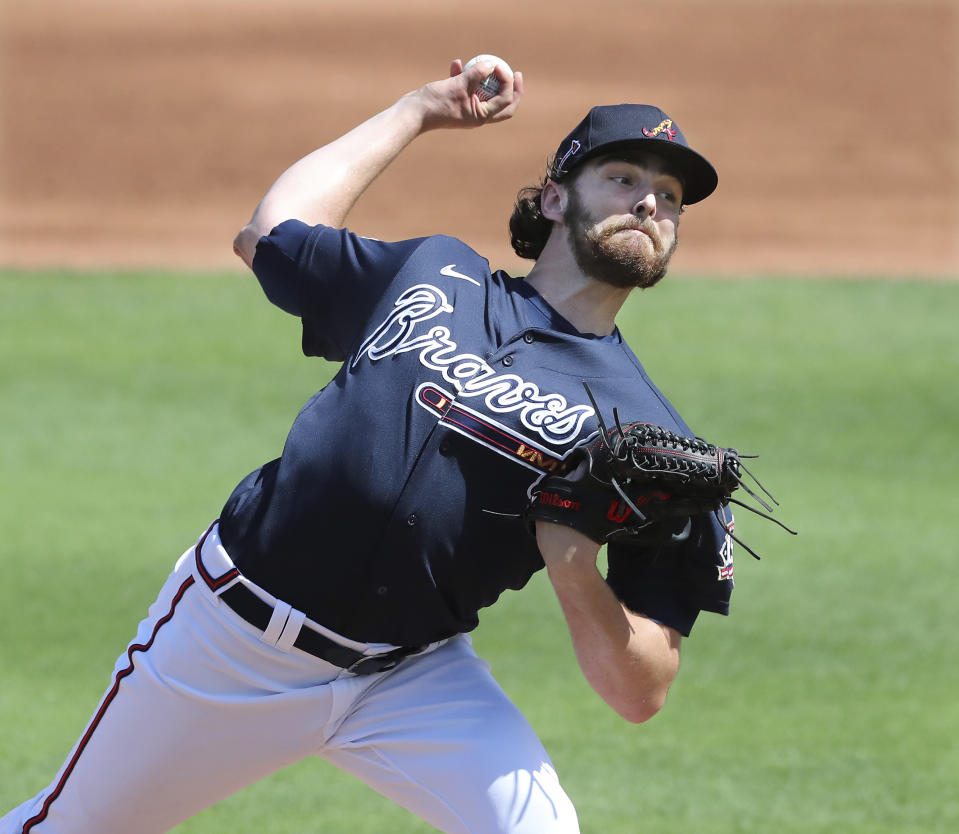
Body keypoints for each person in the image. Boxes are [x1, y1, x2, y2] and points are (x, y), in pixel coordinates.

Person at [2, 58, 736, 834]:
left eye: (670, 198)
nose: (650, 201)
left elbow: (639, 690)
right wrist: (419, 110)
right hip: (230, 645)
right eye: (622, 178)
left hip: (412, 675)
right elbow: (270, 234)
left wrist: (571, 562)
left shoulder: (647, 433)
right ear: (554, 197)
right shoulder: (432, 275)